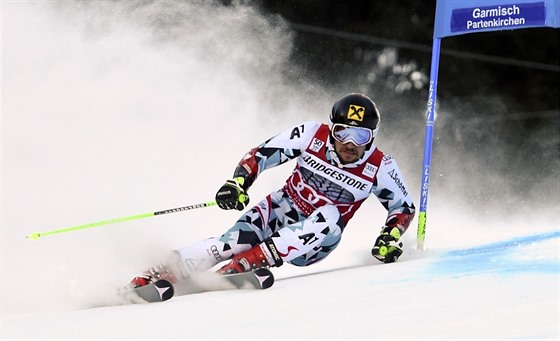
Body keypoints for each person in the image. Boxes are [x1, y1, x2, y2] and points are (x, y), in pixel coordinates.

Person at [130, 93, 415, 287]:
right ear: (331, 130)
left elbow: (403, 207)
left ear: (372, 137)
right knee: (228, 243)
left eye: (360, 136)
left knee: (329, 215)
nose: (349, 144)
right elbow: (263, 153)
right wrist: (239, 182)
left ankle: (247, 264)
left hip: (315, 242)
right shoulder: (310, 134)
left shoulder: (380, 166)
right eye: (342, 132)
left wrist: (388, 238)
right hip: (281, 209)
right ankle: (160, 272)